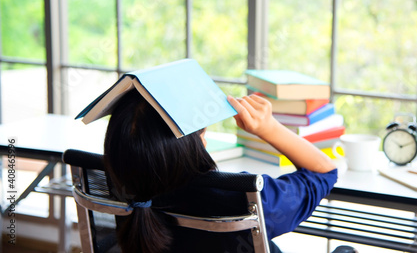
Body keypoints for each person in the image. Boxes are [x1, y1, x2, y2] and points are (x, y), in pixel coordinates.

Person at [104, 90, 337, 253]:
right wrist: (268, 128)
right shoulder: (245, 197)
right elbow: (324, 171)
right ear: (199, 144)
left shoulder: (121, 187)